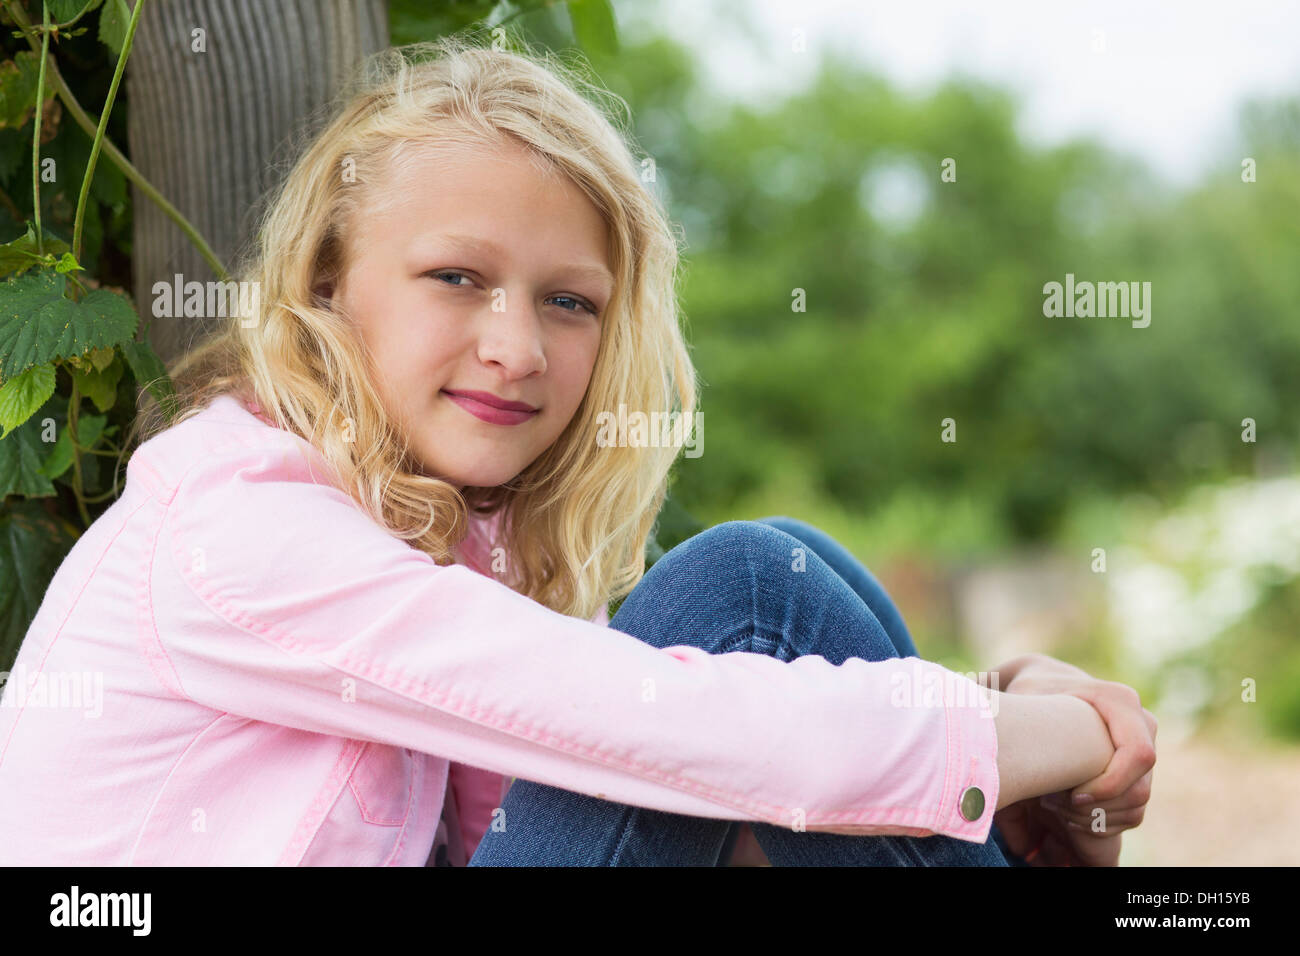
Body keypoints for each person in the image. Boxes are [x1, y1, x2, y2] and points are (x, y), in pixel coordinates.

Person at [0, 35, 1154, 867]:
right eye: (457, 277)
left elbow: (674, 786)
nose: (517, 347)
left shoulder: (427, 536)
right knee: (750, 587)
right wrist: (1069, 736)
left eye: (569, 302)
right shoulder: (243, 523)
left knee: (790, 573)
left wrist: (988, 719)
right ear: (326, 283)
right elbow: (673, 723)